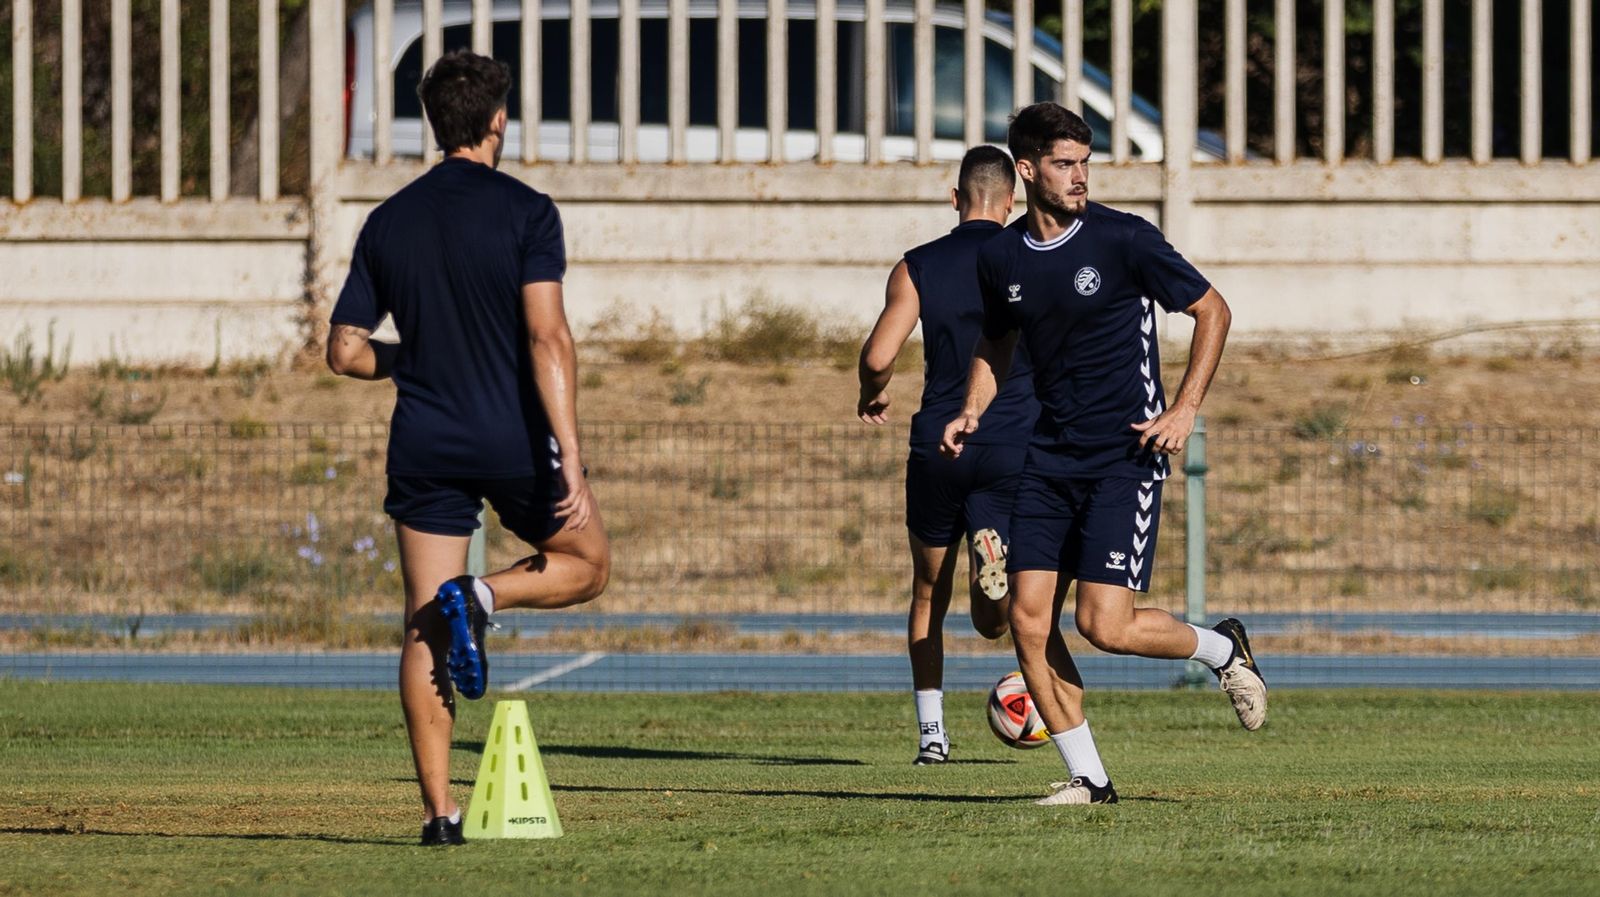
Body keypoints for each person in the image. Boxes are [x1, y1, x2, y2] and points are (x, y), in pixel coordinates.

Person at [941, 103, 1263, 806]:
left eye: (1086, 162)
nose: (1080, 176)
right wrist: (971, 408)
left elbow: (1213, 309)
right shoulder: (1000, 256)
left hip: (1124, 454)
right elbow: (997, 342)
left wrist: (1185, 408)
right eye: (1064, 163)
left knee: (1102, 625)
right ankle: (1090, 779)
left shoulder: (1124, 239)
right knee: (1028, 621)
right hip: (1048, 458)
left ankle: (1222, 648)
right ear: (1027, 171)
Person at [325, 49, 610, 845]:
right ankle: (486, 597)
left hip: (424, 444)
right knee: (588, 562)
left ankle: (439, 816)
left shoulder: (387, 222)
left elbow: (344, 349)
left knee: (423, 626)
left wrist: (403, 360)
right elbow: (548, 337)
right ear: (497, 122)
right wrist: (571, 452)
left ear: (432, 124)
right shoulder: (528, 212)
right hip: (513, 438)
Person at [858, 146, 1040, 766]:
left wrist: (871, 394)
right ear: (1012, 199)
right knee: (1005, 612)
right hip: (1013, 440)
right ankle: (996, 575)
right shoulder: (1031, 258)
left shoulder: (917, 267)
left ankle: (932, 736)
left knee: (927, 591)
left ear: (954, 196)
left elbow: (880, 356)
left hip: (938, 443)